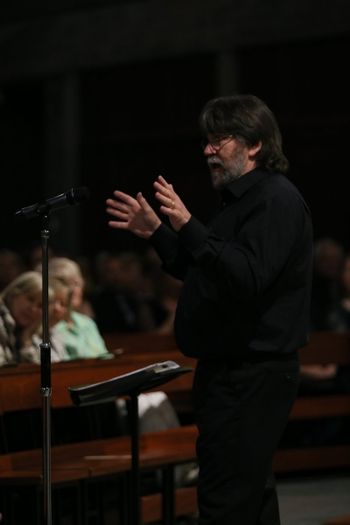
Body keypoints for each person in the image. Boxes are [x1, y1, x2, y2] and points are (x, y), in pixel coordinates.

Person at [106, 93, 313, 525]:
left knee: (225, 502)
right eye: (207, 140)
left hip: (251, 374)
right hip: (233, 373)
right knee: (250, 500)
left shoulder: (275, 199)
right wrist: (159, 233)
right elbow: (206, 271)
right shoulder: (241, 201)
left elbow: (247, 277)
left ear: (254, 144)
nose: (208, 150)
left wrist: (186, 223)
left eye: (220, 140)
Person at [47, 257, 111, 360]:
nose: (72, 290)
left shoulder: (87, 323)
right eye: (66, 284)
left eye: (76, 283)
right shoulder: (47, 327)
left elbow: (106, 358)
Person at [0, 271, 65, 365]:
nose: (33, 309)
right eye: (30, 299)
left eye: (40, 306)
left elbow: (38, 374)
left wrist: (26, 342)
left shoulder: (35, 334)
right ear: (13, 295)